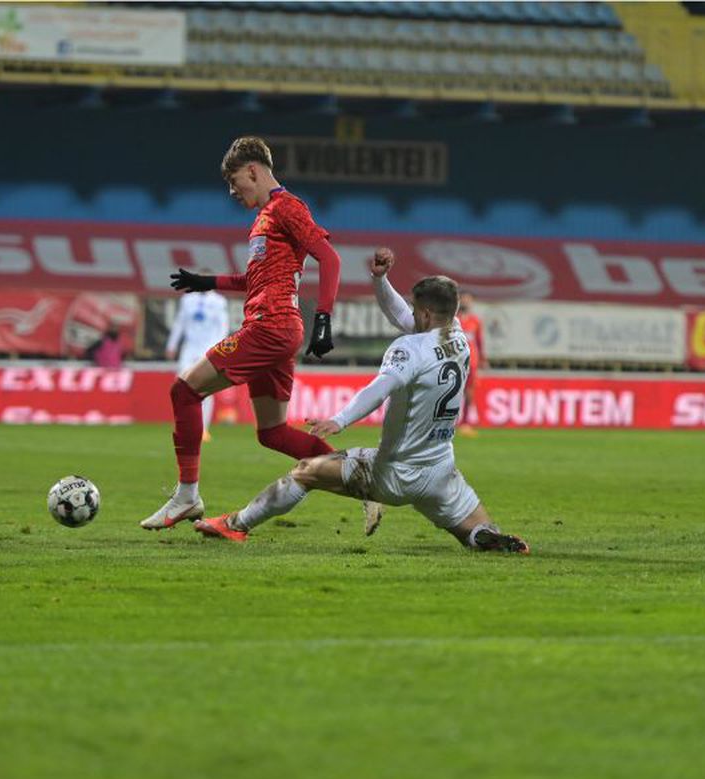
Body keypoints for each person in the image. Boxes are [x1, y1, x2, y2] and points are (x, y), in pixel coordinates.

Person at [192, 247, 530, 554]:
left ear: (425, 314)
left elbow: (379, 389)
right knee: (474, 532)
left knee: (306, 471)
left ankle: (236, 525)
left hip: (395, 472)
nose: (409, 314)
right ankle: (483, 536)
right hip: (440, 471)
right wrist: (381, 280)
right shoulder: (457, 336)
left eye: (415, 309)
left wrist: (339, 420)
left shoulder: (410, 349)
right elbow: (401, 314)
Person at [140, 136, 341, 530]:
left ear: (253, 170)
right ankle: (357, 477)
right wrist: (206, 280)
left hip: (270, 326)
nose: (233, 192)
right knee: (273, 433)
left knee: (184, 390)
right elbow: (255, 278)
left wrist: (324, 317)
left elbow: (329, 258)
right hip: (276, 327)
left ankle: (186, 497)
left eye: (235, 182)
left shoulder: (287, 207)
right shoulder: (265, 218)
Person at [164, 290, 230, 441]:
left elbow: (222, 327)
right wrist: (172, 345)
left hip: (208, 351)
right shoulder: (188, 299)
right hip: (189, 350)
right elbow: (180, 322)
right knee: (180, 387)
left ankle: (203, 429)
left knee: (205, 389)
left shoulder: (219, 301)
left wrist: (219, 350)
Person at [455, 291, 487, 437]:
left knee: (469, 393)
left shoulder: (476, 321)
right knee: (452, 392)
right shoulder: (453, 320)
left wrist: (483, 358)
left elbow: (479, 341)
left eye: (469, 299)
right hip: (455, 360)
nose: (466, 302)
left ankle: (465, 423)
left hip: (471, 361)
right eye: (464, 299)